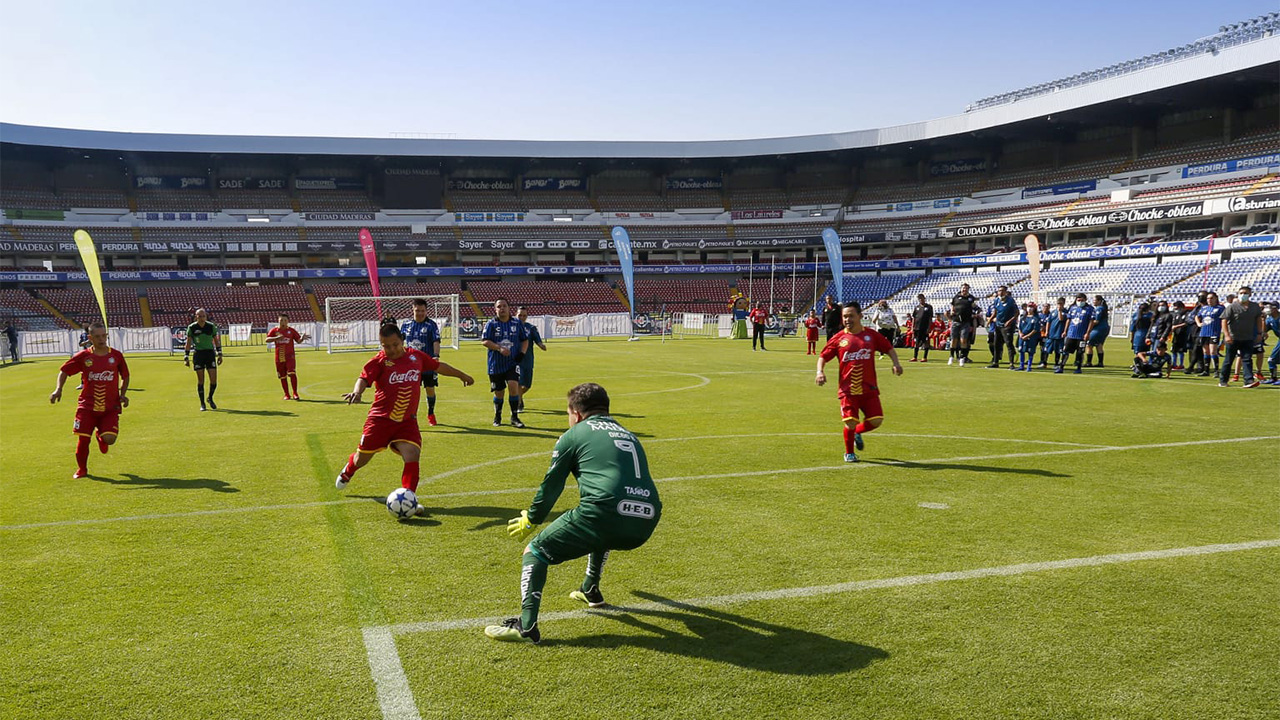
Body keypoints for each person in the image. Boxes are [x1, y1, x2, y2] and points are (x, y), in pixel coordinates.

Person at [485, 383, 660, 644]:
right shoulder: (627, 433)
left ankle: (527, 627)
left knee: (535, 552)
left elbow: (551, 486)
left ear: (576, 414)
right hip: (647, 518)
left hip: (606, 511)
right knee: (601, 531)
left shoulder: (575, 433)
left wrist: (531, 519)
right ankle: (590, 589)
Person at [335, 321, 474, 503]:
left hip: (407, 421)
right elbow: (363, 378)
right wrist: (357, 392)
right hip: (380, 420)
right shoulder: (379, 361)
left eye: (395, 344)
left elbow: (438, 366)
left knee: (412, 454)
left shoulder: (416, 357)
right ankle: (348, 471)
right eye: (386, 346)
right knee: (362, 458)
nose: (391, 349)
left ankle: (407, 499)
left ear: (402, 340)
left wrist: (461, 375)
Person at [816, 301, 904, 463]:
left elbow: (888, 348)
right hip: (848, 390)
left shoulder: (871, 336)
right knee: (849, 422)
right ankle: (849, 453)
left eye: (851, 316)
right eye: (845, 317)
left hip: (869, 388)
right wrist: (820, 372)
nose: (847, 319)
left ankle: (857, 432)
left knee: (876, 421)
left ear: (860, 316)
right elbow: (823, 356)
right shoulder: (839, 338)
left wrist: (896, 363)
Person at [49, 321, 130, 479]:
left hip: (109, 407)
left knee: (110, 439)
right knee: (83, 439)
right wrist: (58, 389)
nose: (102, 339)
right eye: (97, 336)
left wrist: (123, 393)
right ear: (90, 338)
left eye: (104, 336)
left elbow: (125, 376)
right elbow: (64, 371)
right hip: (87, 406)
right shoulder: (84, 357)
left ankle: (101, 437)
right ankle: (82, 469)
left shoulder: (116, 355)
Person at [482, 298, 529, 428]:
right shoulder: (491, 324)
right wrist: (499, 348)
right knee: (499, 392)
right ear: (495, 309)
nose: (502, 308)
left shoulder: (517, 323)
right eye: (499, 306)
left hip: (512, 363)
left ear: (509, 308)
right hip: (495, 364)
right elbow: (485, 341)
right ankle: (498, 415)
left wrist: (522, 354)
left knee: (513, 387)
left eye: (504, 306)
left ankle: (515, 417)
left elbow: (525, 340)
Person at [400, 299, 443, 425]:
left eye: (422, 311)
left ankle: (431, 413)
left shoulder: (431, 325)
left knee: (430, 389)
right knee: (412, 393)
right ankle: (411, 417)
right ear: (412, 310)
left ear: (426, 311)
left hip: (427, 364)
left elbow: (436, 341)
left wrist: (436, 356)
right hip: (411, 366)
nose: (420, 313)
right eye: (417, 310)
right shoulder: (406, 325)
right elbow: (400, 343)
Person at [1219, 286, 1263, 388]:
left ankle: (1248, 380)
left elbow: (1258, 319)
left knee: (1247, 359)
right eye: (1241, 293)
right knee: (1229, 360)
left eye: (1246, 293)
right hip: (1233, 338)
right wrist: (1226, 335)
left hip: (1248, 337)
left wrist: (1260, 333)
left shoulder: (1254, 307)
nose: (1243, 295)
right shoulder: (1232, 307)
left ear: (1250, 294)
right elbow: (1224, 320)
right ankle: (1223, 380)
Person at [183, 308, 222, 411]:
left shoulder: (211, 326)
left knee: (213, 380)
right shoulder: (192, 327)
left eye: (203, 316)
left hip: (209, 353)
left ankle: (210, 397)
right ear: (196, 317)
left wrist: (220, 353)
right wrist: (186, 356)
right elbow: (188, 342)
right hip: (199, 354)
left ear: (206, 316)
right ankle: (202, 403)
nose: (201, 318)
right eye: (199, 316)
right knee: (201, 380)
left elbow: (216, 340)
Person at [264, 314, 309, 400]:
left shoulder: (291, 331)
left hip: (290, 356)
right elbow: (267, 340)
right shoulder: (274, 330)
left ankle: (295, 393)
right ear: (278, 321)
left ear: (288, 321)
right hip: (279, 357)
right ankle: (287, 394)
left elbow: (298, 341)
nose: (283, 322)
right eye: (281, 320)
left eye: (285, 320)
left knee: (292, 373)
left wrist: (302, 338)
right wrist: (277, 338)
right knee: (282, 376)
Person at [515, 306, 548, 410]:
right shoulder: (511, 327)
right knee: (518, 382)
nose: (522, 317)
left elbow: (537, 340)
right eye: (520, 315)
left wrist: (541, 345)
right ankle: (518, 402)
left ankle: (518, 396)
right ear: (516, 315)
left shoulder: (531, 328)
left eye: (524, 315)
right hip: (515, 360)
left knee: (527, 385)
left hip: (528, 360)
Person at [1055, 293, 1094, 375]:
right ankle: (1061, 367)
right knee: (1065, 351)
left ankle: (1078, 368)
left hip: (1081, 335)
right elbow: (1068, 320)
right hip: (1071, 333)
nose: (1080, 302)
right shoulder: (1072, 308)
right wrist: (1065, 331)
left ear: (1085, 300)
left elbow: (1091, 321)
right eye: (1078, 300)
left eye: (1082, 300)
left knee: (1080, 352)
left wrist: (1087, 333)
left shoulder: (1089, 309)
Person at [948, 283, 979, 366]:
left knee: (963, 340)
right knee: (954, 340)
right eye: (963, 288)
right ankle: (951, 356)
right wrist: (952, 310)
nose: (964, 290)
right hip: (956, 321)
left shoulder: (971, 298)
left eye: (966, 288)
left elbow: (975, 307)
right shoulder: (956, 297)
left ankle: (962, 357)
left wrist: (975, 314)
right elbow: (952, 304)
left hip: (966, 322)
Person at [987, 285, 1018, 369]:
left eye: (1002, 291)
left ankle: (1011, 363)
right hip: (998, 325)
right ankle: (995, 362)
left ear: (1005, 292)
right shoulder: (997, 300)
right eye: (999, 291)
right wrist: (990, 319)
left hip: (1007, 326)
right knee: (997, 344)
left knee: (1008, 343)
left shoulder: (1010, 301)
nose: (1000, 292)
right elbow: (996, 311)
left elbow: (1016, 313)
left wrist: (1010, 321)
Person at [1195, 292, 1225, 377]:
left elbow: (1224, 318)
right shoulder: (1204, 308)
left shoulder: (1220, 308)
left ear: (1216, 298)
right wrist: (1198, 323)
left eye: (1211, 298)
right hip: (1204, 332)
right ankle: (1206, 370)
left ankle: (1216, 371)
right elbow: (1197, 316)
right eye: (1208, 298)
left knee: (1213, 351)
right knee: (1206, 351)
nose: (1209, 300)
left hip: (1214, 332)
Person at [1085, 296, 1111, 367]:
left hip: (1098, 329)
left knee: (1089, 345)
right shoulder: (1103, 308)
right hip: (1104, 328)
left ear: (1099, 301)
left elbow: (1096, 321)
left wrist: (1088, 324)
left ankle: (1089, 362)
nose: (1093, 301)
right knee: (1099, 345)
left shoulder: (1099, 308)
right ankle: (1100, 362)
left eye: (1095, 300)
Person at [1041, 298, 1066, 368]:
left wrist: (1060, 311)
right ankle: (1044, 363)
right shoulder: (1052, 312)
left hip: (1059, 334)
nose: (1059, 306)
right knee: (1046, 349)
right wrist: (1047, 331)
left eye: (1061, 304)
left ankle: (1056, 363)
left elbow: (1061, 319)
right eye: (1058, 304)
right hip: (1051, 334)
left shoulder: (1065, 312)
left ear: (1063, 304)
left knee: (1058, 350)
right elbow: (1049, 321)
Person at [1017, 302, 1042, 372]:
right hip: (1022, 337)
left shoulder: (1036, 318)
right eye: (1028, 307)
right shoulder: (1023, 317)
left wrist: (1028, 335)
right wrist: (1021, 334)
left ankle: (1029, 366)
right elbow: (1019, 327)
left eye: (1031, 307)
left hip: (1031, 338)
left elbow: (1035, 329)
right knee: (1021, 350)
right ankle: (1021, 365)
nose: (1029, 309)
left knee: (1030, 351)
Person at [909, 294, 934, 362]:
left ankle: (924, 357)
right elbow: (914, 318)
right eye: (919, 299)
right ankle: (915, 357)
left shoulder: (929, 307)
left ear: (924, 298)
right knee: (916, 342)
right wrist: (912, 327)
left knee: (925, 342)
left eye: (921, 298)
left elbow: (930, 318)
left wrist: (929, 328)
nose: (920, 300)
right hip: (917, 328)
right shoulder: (917, 307)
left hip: (924, 328)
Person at [1169, 301, 1191, 370]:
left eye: (1177, 308)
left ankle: (1181, 364)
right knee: (1174, 350)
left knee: (1181, 350)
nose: (1176, 309)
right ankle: (1174, 364)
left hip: (1183, 334)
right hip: (1176, 334)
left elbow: (1186, 323)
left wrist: (1176, 326)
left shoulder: (1187, 314)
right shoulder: (1176, 314)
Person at [1262, 303, 1280, 384]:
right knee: (1271, 360)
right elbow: (1263, 331)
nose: (1267, 309)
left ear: (1275, 308)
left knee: (1272, 359)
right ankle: (1273, 378)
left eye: (1269, 307)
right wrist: (1263, 319)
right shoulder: (1270, 319)